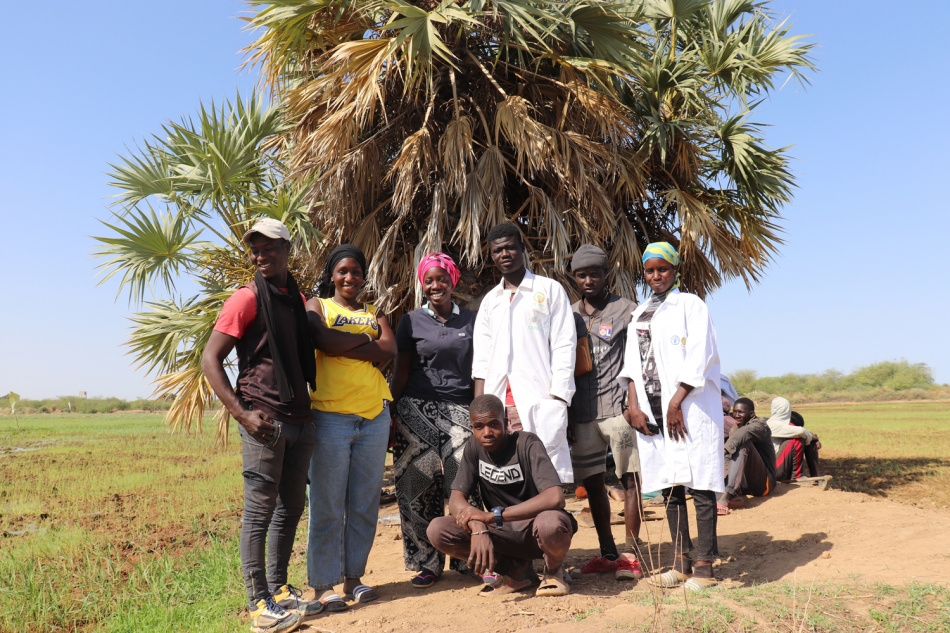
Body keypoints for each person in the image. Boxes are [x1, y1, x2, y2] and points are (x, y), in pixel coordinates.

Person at [201, 218, 321, 632]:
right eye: (255, 248)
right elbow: (210, 359)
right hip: (264, 420)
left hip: (299, 418)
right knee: (259, 511)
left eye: (269, 246)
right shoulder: (246, 298)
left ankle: (279, 588)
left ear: (288, 249)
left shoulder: (295, 298)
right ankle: (258, 605)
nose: (260, 254)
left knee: (290, 508)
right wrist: (242, 413)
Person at [618, 241, 724, 592]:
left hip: (689, 406)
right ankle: (681, 563)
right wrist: (633, 405)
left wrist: (677, 402)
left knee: (702, 482)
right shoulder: (640, 312)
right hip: (653, 406)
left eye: (662, 269)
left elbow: (701, 356)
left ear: (675, 269)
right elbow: (632, 366)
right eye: (650, 270)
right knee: (671, 485)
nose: (656, 276)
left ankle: (705, 568)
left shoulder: (691, 305)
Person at [305, 244, 397, 612]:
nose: (349, 277)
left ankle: (354, 578)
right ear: (332, 274)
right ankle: (322, 586)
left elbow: (388, 349)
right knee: (327, 504)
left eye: (356, 272)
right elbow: (322, 341)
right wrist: (365, 339)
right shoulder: (318, 307)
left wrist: (345, 344)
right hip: (330, 414)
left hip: (374, 414)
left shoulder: (376, 312)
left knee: (363, 503)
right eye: (343, 271)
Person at [389, 253, 480, 589]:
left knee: (463, 482)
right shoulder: (410, 321)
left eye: (442, 278)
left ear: (453, 281)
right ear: (422, 284)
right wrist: (390, 411)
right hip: (415, 410)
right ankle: (425, 561)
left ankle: (466, 555)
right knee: (416, 484)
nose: (436, 285)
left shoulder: (471, 321)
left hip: (461, 410)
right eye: (429, 280)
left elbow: (479, 370)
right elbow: (401, 370)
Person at [427, 395, 578, 597]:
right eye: (479, 426)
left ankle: (553, 571)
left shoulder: (526, 443)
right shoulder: (474, 448)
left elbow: (555, 497)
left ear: (506, 423)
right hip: (503, 533)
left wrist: (492, 516)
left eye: (494, 424)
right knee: (438, 529)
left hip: (536, 530)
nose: (487, 432)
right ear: (472, 427)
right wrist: (477, 525)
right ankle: (516, 570)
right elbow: (456, 499)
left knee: (550, 523)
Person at [472, 222, 577, 483]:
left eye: (510, 248)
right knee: (507, 480)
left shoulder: (549, 290)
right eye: (497, 251)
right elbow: (481, 362)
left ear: (522, 249)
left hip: (540, 399)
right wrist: (479, 408)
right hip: (499, 407)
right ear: (492, 255)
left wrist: (558, 398)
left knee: (544, 481)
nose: (504, 255)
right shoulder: (490, 301)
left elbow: (565, 345)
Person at [566, 244, 644, 581]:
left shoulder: (627, 310)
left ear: (605, 274)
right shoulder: (566, 314)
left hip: (618, 412)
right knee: (594, 485)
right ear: (574, 278)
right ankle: (608, 550)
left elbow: (640, 362)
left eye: (594, 273)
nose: (588, 280)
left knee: (631, 481)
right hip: (582, 414)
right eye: (581, 275)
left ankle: (633, 552)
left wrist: (633, 406)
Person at [718, 398, 776, 515]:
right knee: (712, 490)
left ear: (751, 414)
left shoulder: (760, 425)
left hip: (764, 483)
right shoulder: (735, 428)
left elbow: (745, 432)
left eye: (741, 412)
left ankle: (727, 495)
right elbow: (729, 459)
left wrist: (723, 450)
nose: (736, 415)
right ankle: (735, 497)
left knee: (743, 442)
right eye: (735, 411)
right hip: (745, 484)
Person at [768, 397, 822, 480]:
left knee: (804, 438)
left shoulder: (779, 425)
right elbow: (800, 431)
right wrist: (813, 437)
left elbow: (801, 432)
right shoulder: (773, 424)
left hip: (776, 468)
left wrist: (812, 438)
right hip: (772, 471)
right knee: (796, 440)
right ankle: (796, 477)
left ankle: (816, 477)